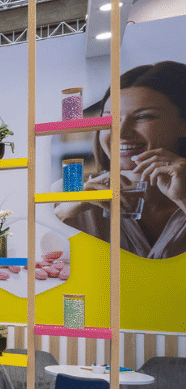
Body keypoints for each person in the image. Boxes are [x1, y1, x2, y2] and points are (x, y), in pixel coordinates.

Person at [54, 61, 186, 259]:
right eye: (110, 119)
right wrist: (66, 211)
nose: (121, 132)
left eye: (143, 117)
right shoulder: (67, 191)